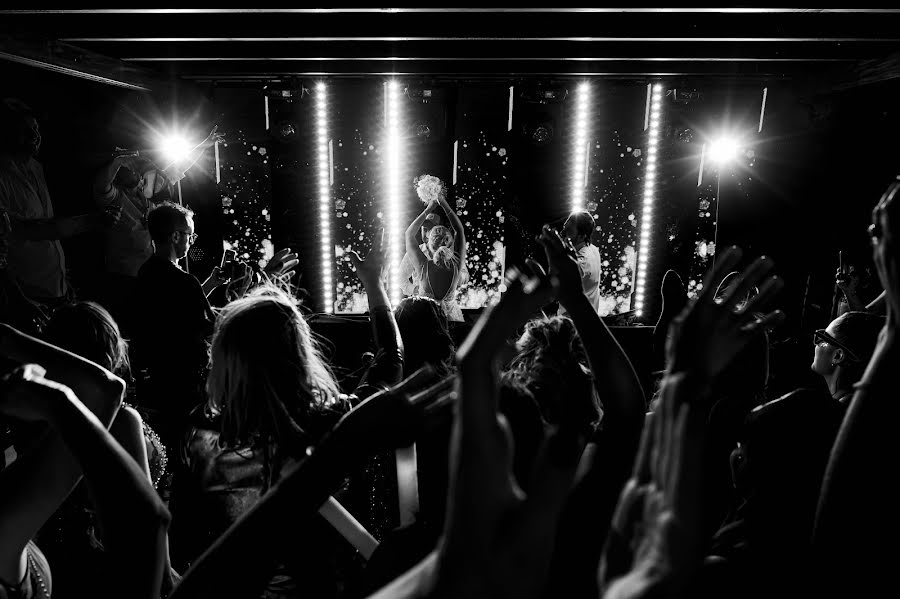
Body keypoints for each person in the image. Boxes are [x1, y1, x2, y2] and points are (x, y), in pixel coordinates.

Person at [0, 98, 120, 310]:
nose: (34, 135)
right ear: (6, 133)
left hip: (56, 287)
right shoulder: (3, 176)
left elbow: (47, 225)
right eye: (24, 130)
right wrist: (91, 221)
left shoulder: (36, 168)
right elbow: (31, 231)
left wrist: (63, 280)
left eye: (35, 128)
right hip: (28, 295)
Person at [132, 202, 217, 451]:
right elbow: (207, 327)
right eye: (190, 235)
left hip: (158, 379)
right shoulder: (183, 281)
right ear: (176, 236)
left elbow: (177, 313)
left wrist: (208, 286)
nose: (191, 242)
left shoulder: (145, 274)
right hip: (185, 381)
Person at [404, 195, 468, 322]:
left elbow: (409, 234)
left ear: (429, 241)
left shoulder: (423, 266)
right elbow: (459, 230)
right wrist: (444, 204)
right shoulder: (456, 265)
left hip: (425, 322)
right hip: (450, 322)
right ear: (449, 243)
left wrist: (429, 208)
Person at [811, 311, 885, 405]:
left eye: (822, 339)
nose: (816, 344)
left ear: (838, 356)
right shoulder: (853, 401)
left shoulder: (840, 410)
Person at [558, 210, 602, 315]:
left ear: (582, 236)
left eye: (569, 230)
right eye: (564, 228)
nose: (561, 233)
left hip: (573, 325)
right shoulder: (593, 249)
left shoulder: (581, 262)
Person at [398, 212, 441, 297]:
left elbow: (463, 276)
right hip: (420, 305)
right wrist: (414, 289)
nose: (427, 234)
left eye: (431, 230)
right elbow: (400, 278)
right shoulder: (413, 252)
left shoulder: (447, 252)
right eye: (424, 229)